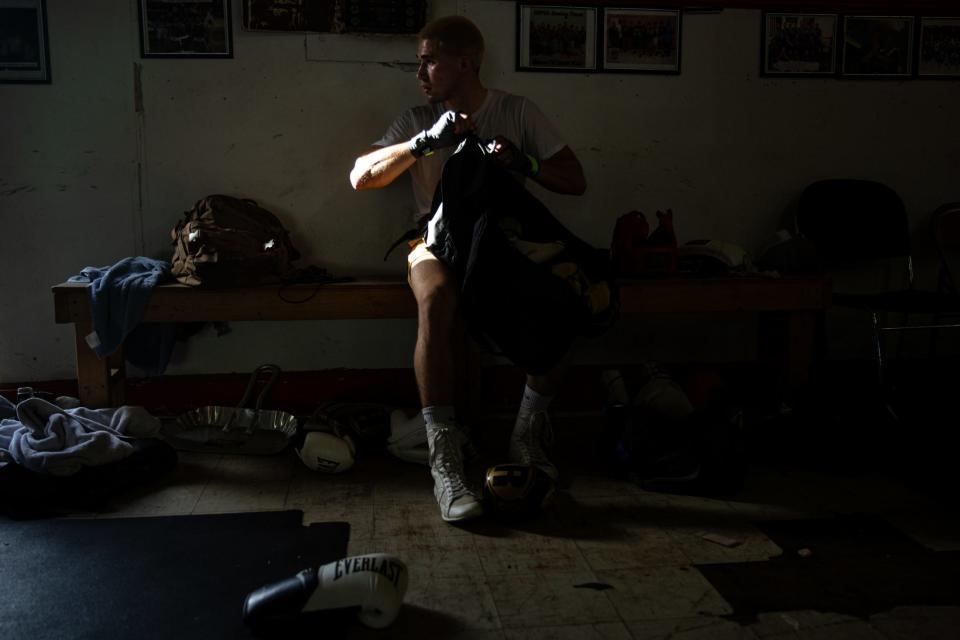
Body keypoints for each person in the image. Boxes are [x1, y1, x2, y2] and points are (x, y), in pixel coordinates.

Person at [349, 15, 587, 523]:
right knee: (437, 298)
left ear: (464, 63)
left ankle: (526, 432)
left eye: (428, 60)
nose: (420, 73)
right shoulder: (417, 116)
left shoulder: (515, 109)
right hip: (433, 240)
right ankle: (444, 456)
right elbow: (359, 177)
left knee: (574, 290)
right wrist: (422, 143)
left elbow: (574, 179)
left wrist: (526, 164)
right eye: (419, 61)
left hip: (503, 240)